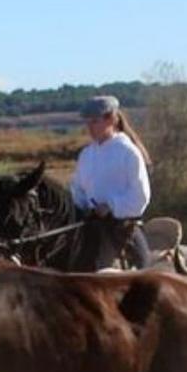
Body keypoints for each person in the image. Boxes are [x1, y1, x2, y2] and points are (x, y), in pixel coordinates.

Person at [71, 95, 153, 269]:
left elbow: (140, 196)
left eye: (94, 121)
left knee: (144, 273)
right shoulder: (86, 154)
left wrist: (111, 206)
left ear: (111, 119)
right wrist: (83, 207)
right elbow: (77, 189)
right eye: (88, 122)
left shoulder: (128, 152)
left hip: (121, 228)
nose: (89, 127)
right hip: (88, 224)